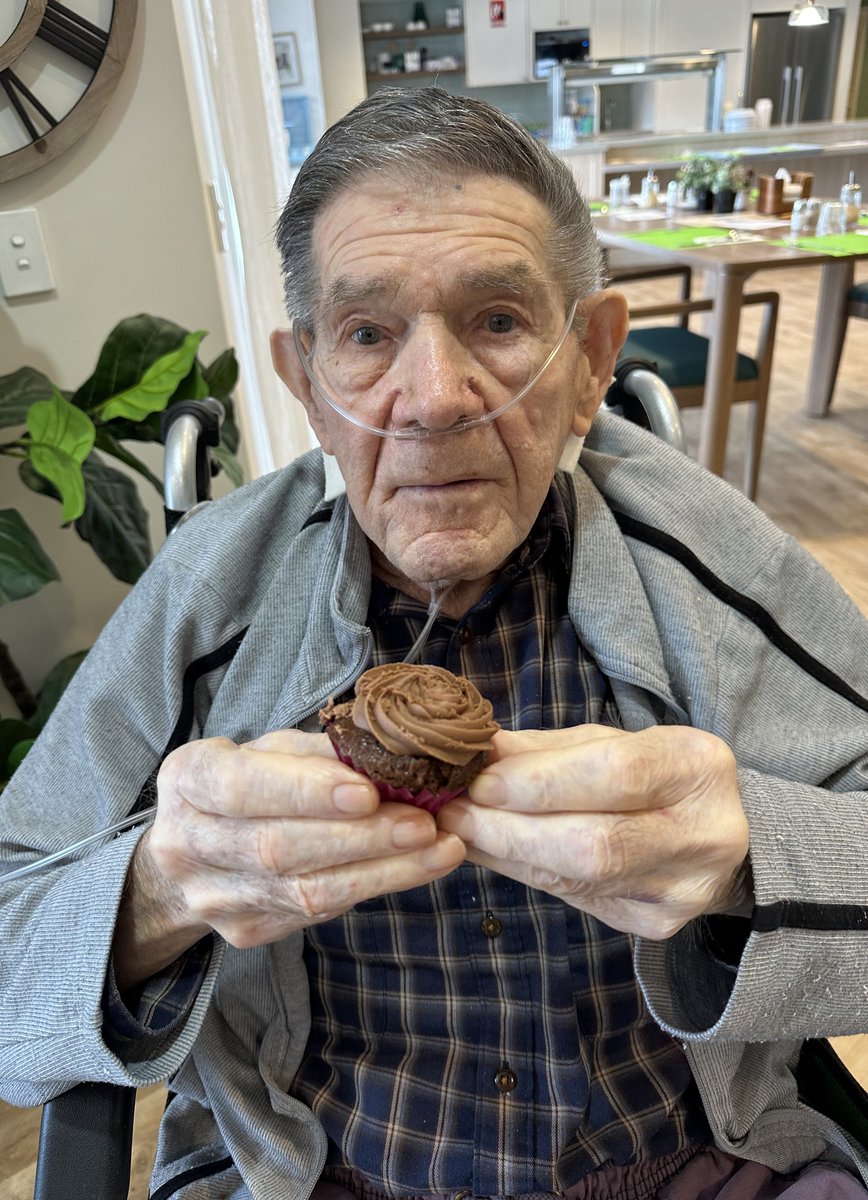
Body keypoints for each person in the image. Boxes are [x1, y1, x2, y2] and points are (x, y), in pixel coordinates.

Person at [1, 87, 867, 1200]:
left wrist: (751, 859)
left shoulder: (715, 570)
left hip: (694, 1161)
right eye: (366, 335)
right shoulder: (207, 601)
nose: (431, 399)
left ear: (589, 360)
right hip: (319, 1172)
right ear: (308, 384)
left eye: (497, 321)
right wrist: (163, 888)